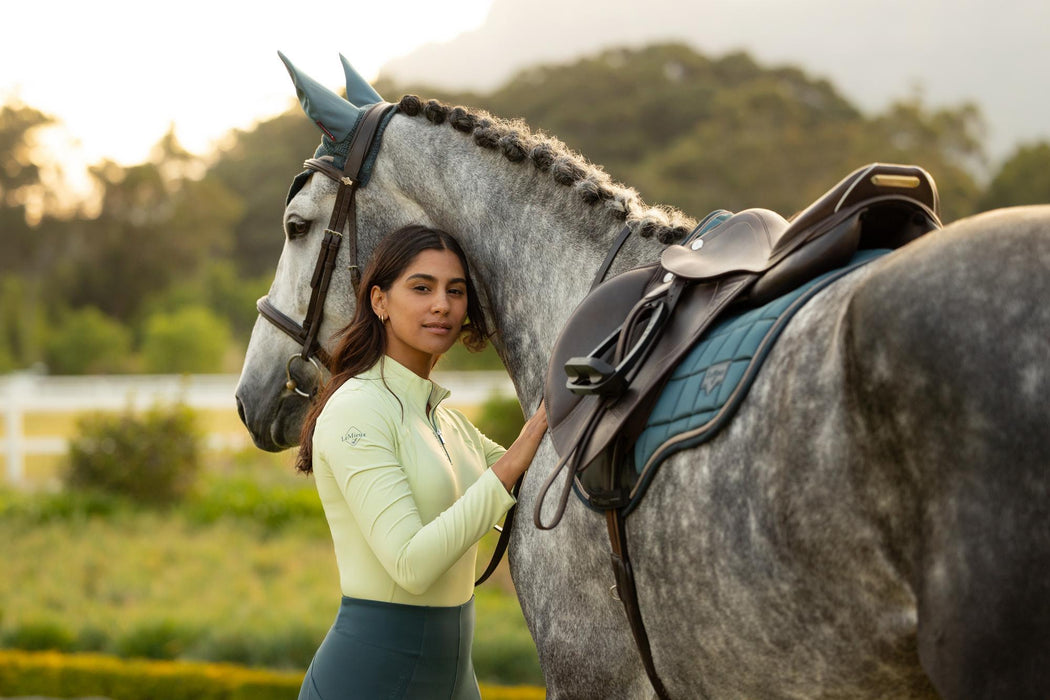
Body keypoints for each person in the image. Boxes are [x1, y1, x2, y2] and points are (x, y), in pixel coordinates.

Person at [295, 224, 548, 700]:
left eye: (456, 291)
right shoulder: (357, 409)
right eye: (421, 287)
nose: (442, 305)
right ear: (379, 301)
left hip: (454, 680)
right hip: (367, 682)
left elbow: (544, 477)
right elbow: (410, 565)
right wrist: (511, 462)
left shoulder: (444, 420)